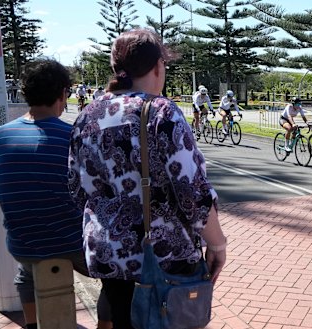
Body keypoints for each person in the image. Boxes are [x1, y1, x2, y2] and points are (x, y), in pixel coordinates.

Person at [68, 29, 227, 329]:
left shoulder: (87, 116)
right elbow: (192, 193)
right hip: (163, 258)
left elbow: (77, 191)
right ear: (157, 66)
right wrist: (217, 245)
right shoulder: (160, 112)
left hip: (108, 256)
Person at [0, 59, 111, 329]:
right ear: (63, 94)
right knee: (117, 276)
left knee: (26, 272)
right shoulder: (75, 136)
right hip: (71, 244)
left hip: (22, 244)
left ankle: (32, 325)